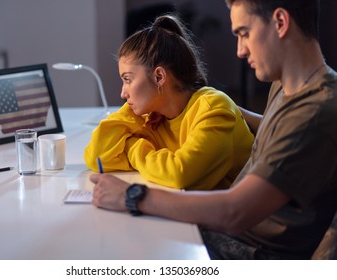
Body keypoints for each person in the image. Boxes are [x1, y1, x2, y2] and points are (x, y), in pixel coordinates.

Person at [89, 0, 337, 259]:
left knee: (116, 249)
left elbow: (234, 213)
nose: (240, 50)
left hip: (248, 250)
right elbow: (278, 128)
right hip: (231, 236)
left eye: (244, 33)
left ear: (280, 23)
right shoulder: (290, 87)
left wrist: (132, 195)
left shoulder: (314, 113)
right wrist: (223, 107)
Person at [84, 15, 254, 190]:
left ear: (159, 77)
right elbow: (96, 157)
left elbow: (180, 174)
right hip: (190, 210)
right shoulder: (154, 116)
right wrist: (130, 115)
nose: (122, 93)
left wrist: (133, 146)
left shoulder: (213, 107)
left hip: (241, 214)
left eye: (128, 80)